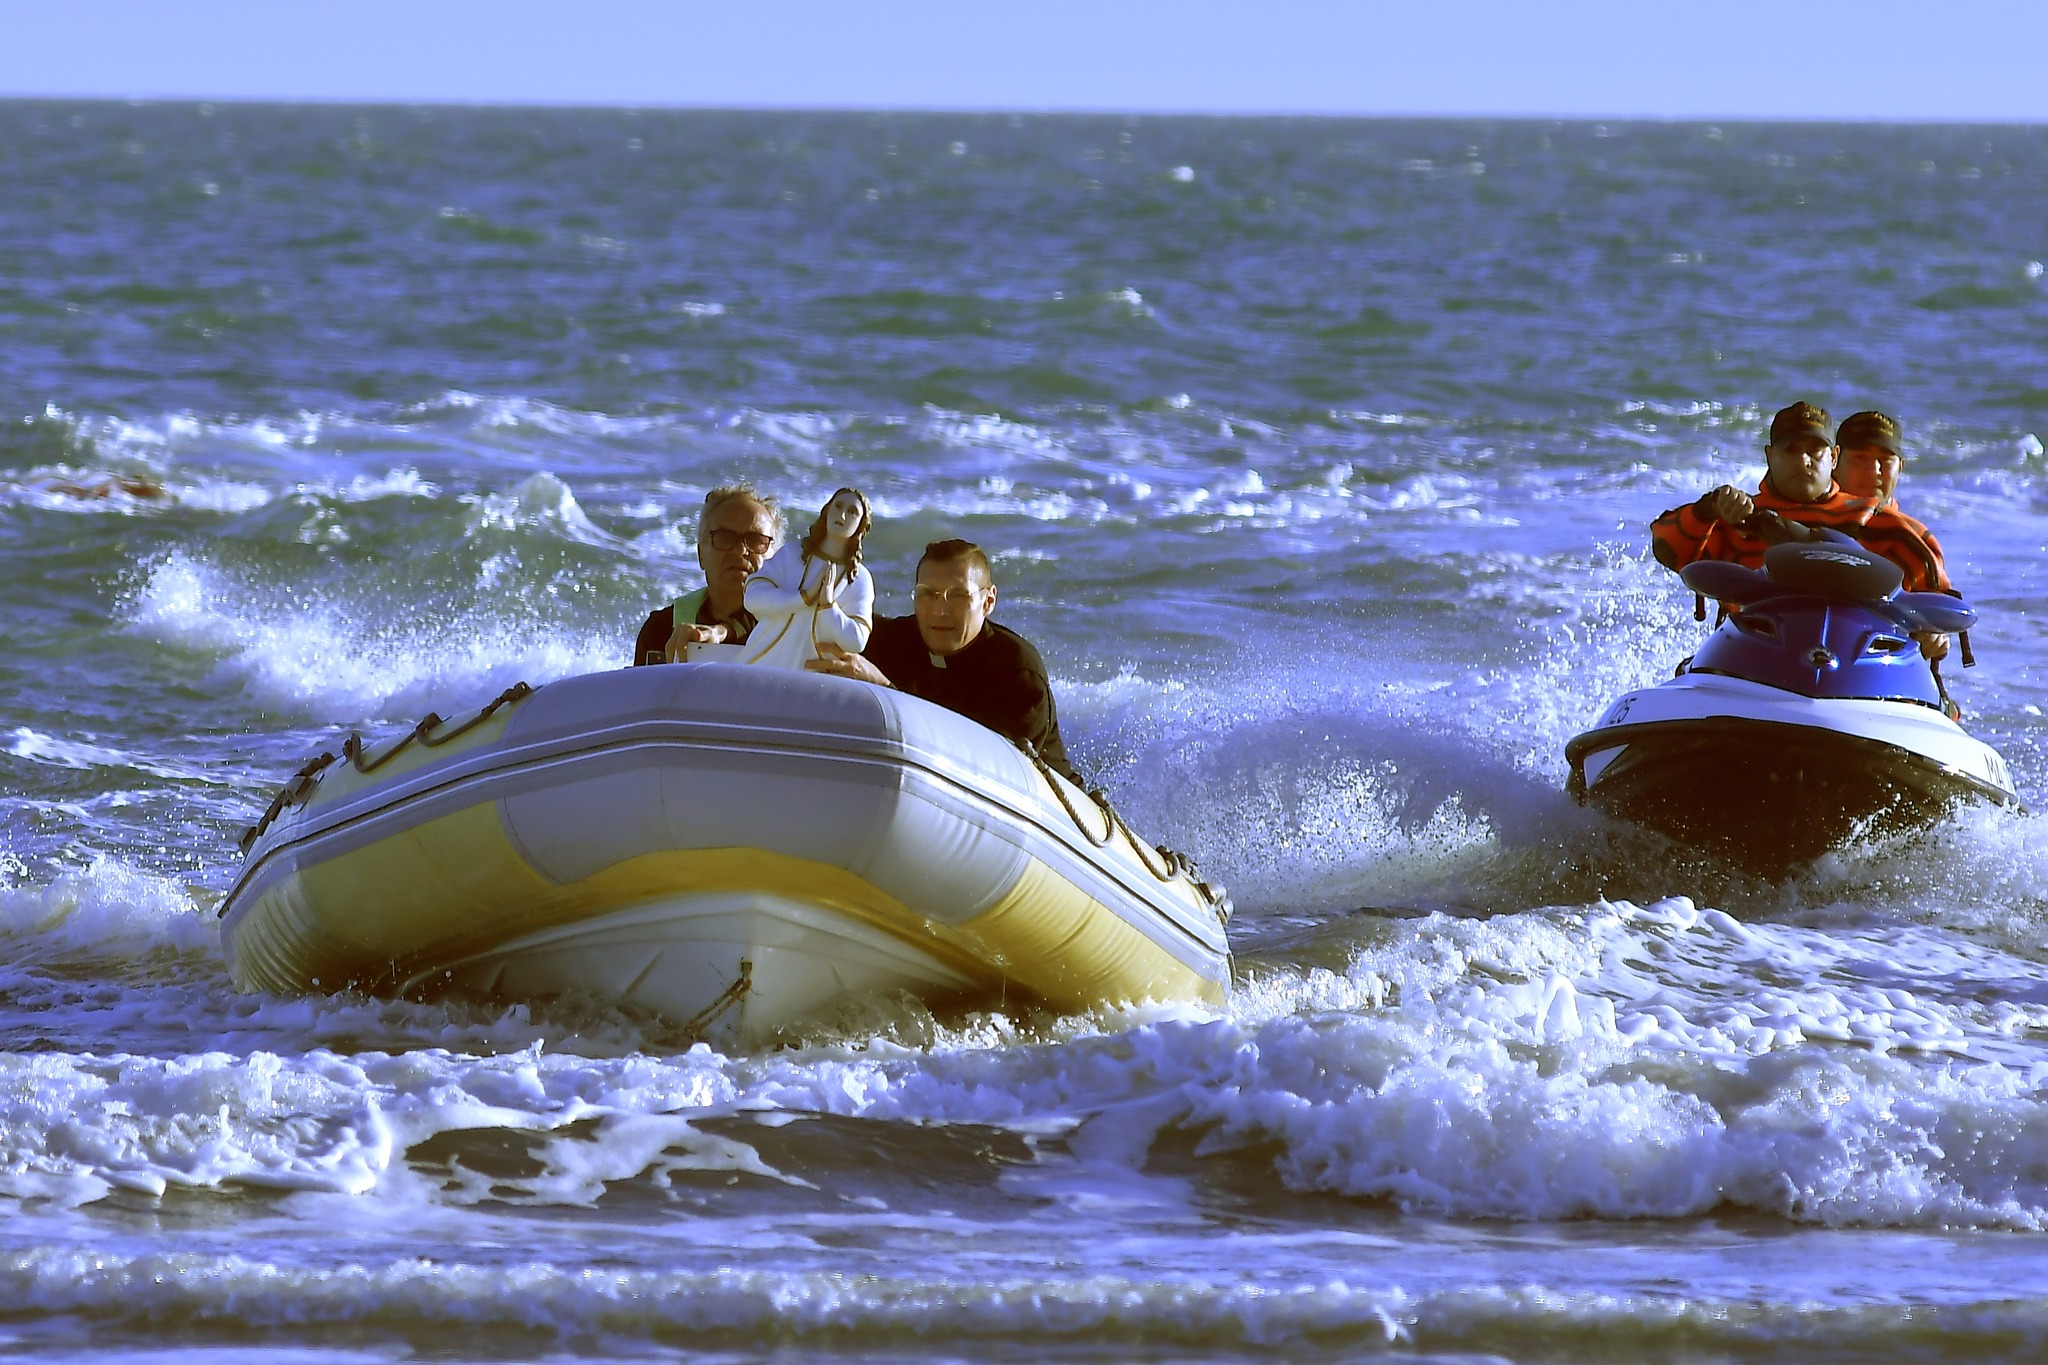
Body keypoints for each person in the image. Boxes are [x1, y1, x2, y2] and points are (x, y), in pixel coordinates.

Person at [807, 538, 1079, 782]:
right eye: (928, 594)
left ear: (988, 601)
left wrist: (885, 689)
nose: (939, 610)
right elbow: (818, 625)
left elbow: (983, 769)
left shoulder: (1017, 672)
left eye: (958, 595)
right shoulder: (895, 640)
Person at [1650, 401, 1873, 572]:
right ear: (1770, 456)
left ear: (1833, 458)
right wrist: (1708, 508)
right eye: (1791, 450)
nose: (1803, 460)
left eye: (1814, 451)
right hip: (1756, 620)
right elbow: (1667, 551)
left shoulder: (1870, 518)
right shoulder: (1737, 516)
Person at [632, 484, 778, 665]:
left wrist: (720, 632)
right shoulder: (661, 630)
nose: (740, 551)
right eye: (724, 538)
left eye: (756, 541)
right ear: (701, 554)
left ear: (777, 558)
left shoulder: (797, 626)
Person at [739, 487, 876, 668]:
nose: (842, 515)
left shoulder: (858, 578)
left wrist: (828, 606)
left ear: (861, 524)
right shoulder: (793, 554)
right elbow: (752, 599)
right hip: (761, 663)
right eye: (838, 506)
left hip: (813, 678)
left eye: (852, 512)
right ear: (827, 510)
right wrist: (803, 598)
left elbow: (856, 641)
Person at [1834, 410, 1954, 595]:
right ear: (1834, 461)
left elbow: (1941, 607)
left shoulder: (1915, 540)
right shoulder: (1807, 522)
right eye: (1860, 457)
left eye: (1885, 460)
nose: (1874, 469)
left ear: (1900, 467)